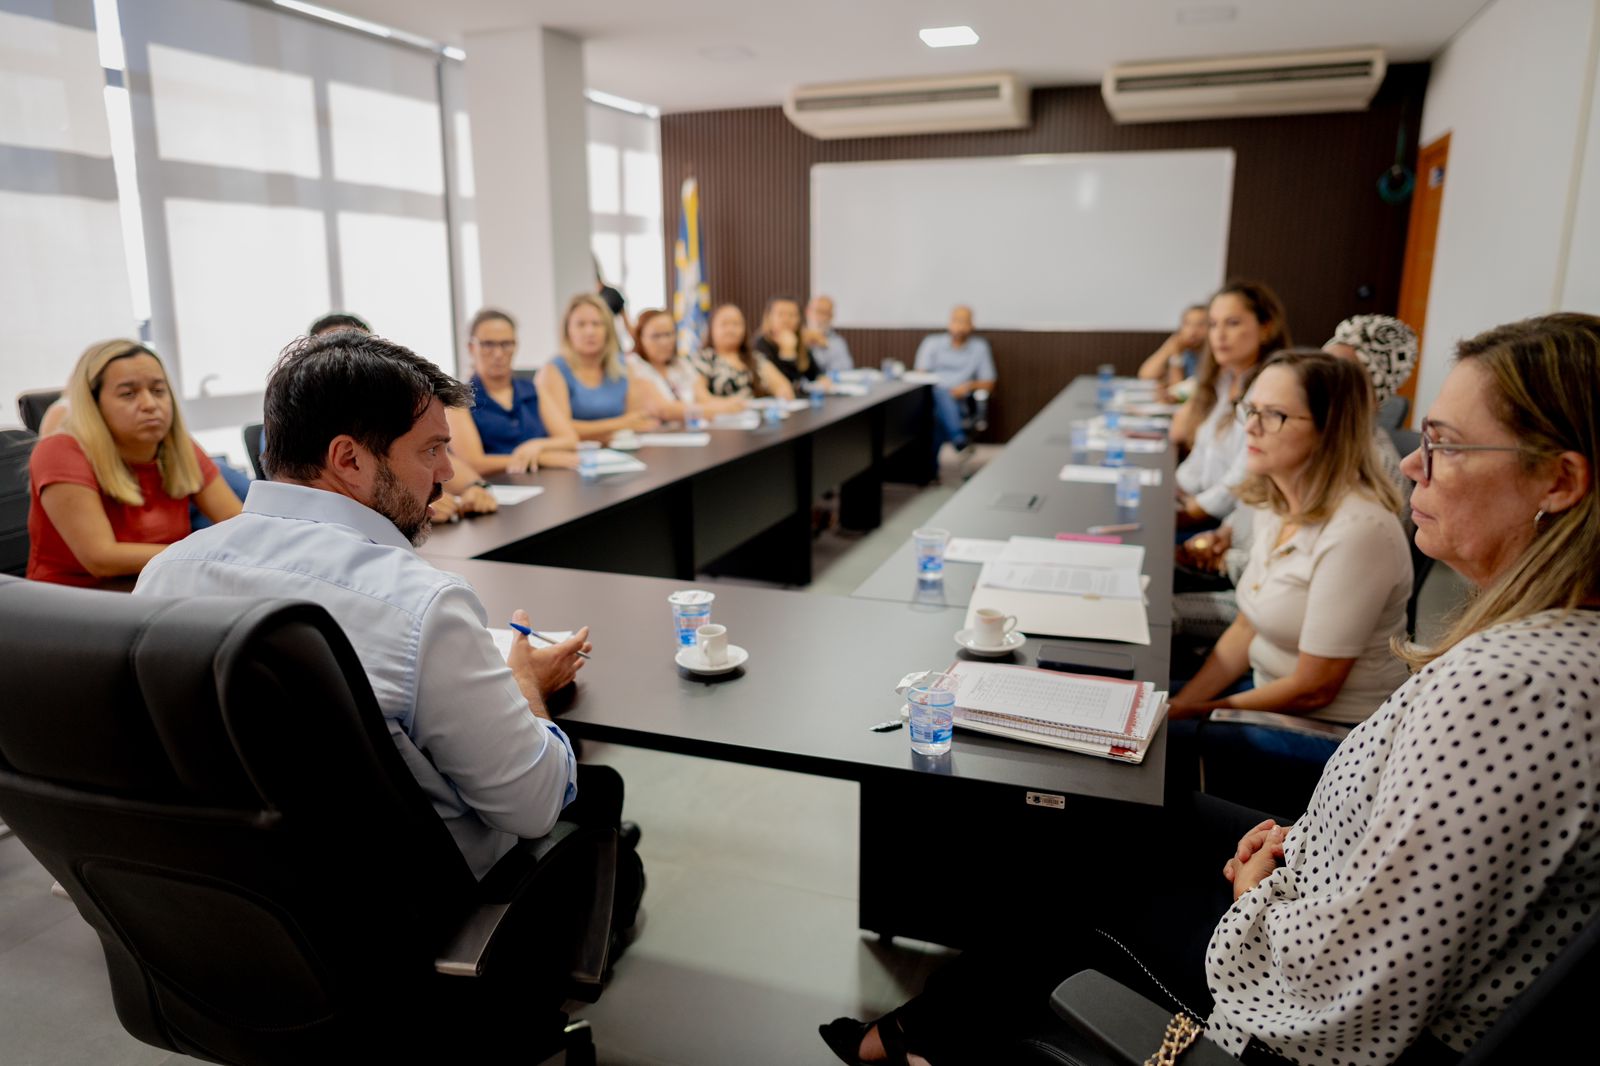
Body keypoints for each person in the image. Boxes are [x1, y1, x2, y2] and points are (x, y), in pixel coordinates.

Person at [822, 312, 1600, 1066]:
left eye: (1445, 443)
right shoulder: (1542, 655)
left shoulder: (1512, 689)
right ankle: (923, 1038)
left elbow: (1346, 994)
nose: (1410, 462)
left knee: (1074, 873)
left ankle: (916, 1041)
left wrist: (1258, 893)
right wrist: (1303, 840)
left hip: (1281, 994)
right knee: (1098, 824)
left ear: (1560, 481)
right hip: (1311, 884)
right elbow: (1425, 870)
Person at [130, 330, 640, 903]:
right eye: (430, 450)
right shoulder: (420, 605)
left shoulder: (165, 575)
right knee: (593, 790)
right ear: (348, 459)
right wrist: (524, 683)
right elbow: (533, 806)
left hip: (235, 904)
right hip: (418, 914)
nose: (447, 471)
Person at [1167, 350, 1411, 731]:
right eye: (1250, 409)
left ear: (1329, 429)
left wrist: (1199, 713)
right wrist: (1184, 704)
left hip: (1327, 733)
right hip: (1266, 696)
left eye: (1274, 415)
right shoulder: (1277, 502)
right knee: (1151, 704)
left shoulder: (1359, 531)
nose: (1250, 427)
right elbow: (1246, 628)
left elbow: (1314, 690)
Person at [27, 340, 241, 587]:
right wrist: (202, 553)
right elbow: (102, 559)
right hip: (76, 604)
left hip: (160, 588)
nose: (150, 404)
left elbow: (238, 525)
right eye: (128, 394)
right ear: (94, 405)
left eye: (158, 391)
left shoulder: (179, 448)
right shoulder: (59, 451)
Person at [1173, 280, 1290, 528]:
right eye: (1213, 325)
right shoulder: (1225, 380)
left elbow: (1244, 477)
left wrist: (1188, 511)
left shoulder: (1271, 390)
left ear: (1266, 328)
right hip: (1202, 509)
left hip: (1228, 526)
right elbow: (1201, 456)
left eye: (1233, 323)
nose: (1219, 335)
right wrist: (1173, 490)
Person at [445, 307, 580, 477]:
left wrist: (536, 446)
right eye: (488, 344)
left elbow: (570, 439)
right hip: (494, 492)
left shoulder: (533, 390)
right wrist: (541, 458)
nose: (498, 353)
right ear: (471, 348)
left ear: (515, 346)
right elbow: (473, 463)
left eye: (506, 344)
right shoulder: (458, 400)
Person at [535, 293, 661, 442]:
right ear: (567, 330)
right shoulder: (553, 371)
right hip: (574, 458)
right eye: (581, 324)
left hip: (621, 452)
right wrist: (620, 424)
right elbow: (562, 430)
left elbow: (637, 421)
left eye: (597, 324)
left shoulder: (623, 367)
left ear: (608, 329)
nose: (590, 331)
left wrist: (606, 429)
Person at [626, 308, 745, 421]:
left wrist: (734, 403)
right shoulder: (634, 365)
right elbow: (664, 410)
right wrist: (717, 410)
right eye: (656, 336)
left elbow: (704, 398)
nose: (664, 342)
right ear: (640, 338)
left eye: (669, 334)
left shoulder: (681, 364)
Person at [913, 305, 996, 454]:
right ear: (949, 322)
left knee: (937, 417)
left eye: (964, 321)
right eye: (956, 320)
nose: (959, 326)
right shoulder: (932, 343)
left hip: (962, 401)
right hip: (933, 396)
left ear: (972, 325)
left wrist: (968, 386)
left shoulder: (979, 347)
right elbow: (921, 374)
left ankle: (932, 472)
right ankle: (959, 439)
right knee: (941, 393)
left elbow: (989, 382)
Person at [688, 303, 794, 401]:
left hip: (754, 418)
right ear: (711, 328)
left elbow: (783, 386)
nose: (731, 329)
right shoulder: (703, 358)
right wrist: (728, 406)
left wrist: (782, 394)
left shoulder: (755, 359)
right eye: (724, 324)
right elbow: (699, 396)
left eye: (736, 324)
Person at [753, 296, 823, 392]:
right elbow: (787, 386)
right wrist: (787, 352)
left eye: (792, 315)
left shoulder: (799, 340)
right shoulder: (760, 344)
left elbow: (815, 374)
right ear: (769, 317)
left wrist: (822, 379)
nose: (786, 320)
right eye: (780, 314)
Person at [1136, 304, 1209, 391]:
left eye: (1200, 325)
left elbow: (1177, 390)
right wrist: (1169, 346)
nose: (1192, 331)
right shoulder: (1184, 349)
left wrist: (1176, 356)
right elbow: (1145, 375)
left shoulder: (1211, 355)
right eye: (1187, 324)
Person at [805, 295, 853, 375]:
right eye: (817, 311)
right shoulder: (796, 338)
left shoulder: (837, 342)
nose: (820, 317)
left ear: (831, 316)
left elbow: (845, 370)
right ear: (807, 312)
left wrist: (825, 345)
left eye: (825, 313)